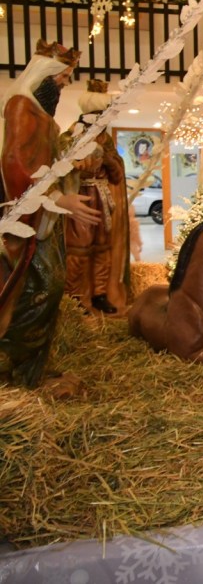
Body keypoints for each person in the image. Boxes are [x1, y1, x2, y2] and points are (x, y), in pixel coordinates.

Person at [1, 40, 102, 388]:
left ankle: (33, 369)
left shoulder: (39, 114)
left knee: (49, 288)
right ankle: (21, 373)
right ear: (45, 74)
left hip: (42, 220)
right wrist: (60, 199)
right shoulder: (20, 109)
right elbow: (17, 166)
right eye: (63, 76)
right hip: (25, 221)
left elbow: (48, 163)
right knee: (40, 289)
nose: (64, 84)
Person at [62, 79, 130, 315]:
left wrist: (109, 161)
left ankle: (100, 294)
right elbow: (60, 166)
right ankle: (75, 298)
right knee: (78, 251)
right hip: (80, 199)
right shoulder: (70, 135)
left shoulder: (106, 140)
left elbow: (117, 175)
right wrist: (76, 164)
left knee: (103, 249)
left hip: (102, 199)